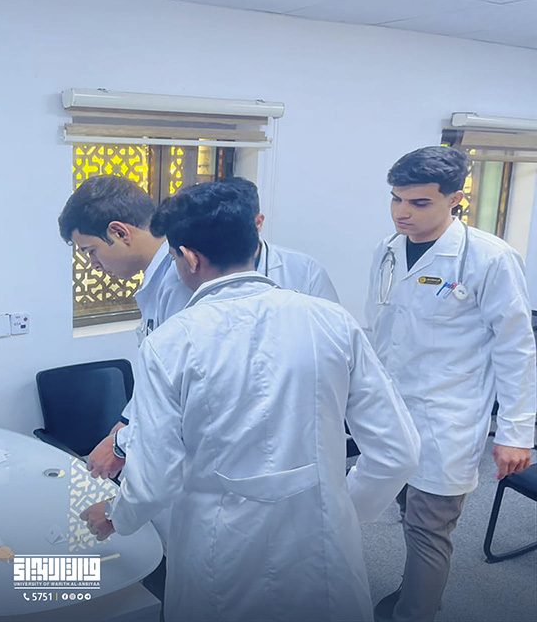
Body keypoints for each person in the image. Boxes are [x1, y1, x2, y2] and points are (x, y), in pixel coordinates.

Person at [80, 180, 420, 622]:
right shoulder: (332, 321)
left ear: (188, 258)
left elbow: (155, 477)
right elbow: (397, 452)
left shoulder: (172, 342)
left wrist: (116, 515)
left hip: (219, 547)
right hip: (320, 538)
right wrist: (340, 509)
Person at [365, 147, 536, 622]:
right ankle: (418, 590)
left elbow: (516, 349)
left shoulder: (490, 258)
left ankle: (416, 612)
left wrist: (516, 432)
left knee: (429, 527)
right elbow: (381, 332)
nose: (402, 212)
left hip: (448, 419)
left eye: (419, 202)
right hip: (392, 411)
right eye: (396, 199)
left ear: (455, 198)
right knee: (406, 508)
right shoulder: (387, 250)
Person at [58, 176, 192, 491]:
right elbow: (157, 378)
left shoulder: (181, 282)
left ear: (119, 232)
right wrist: (126, 425)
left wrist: (121, 444)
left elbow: (181, 393)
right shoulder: (160, 281)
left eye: (91, 251)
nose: (93, 265)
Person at [230, 176, 340, 303]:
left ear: (259, 223)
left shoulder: (307, 271)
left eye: (236, 226)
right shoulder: (209, 266)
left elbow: (330, 314)